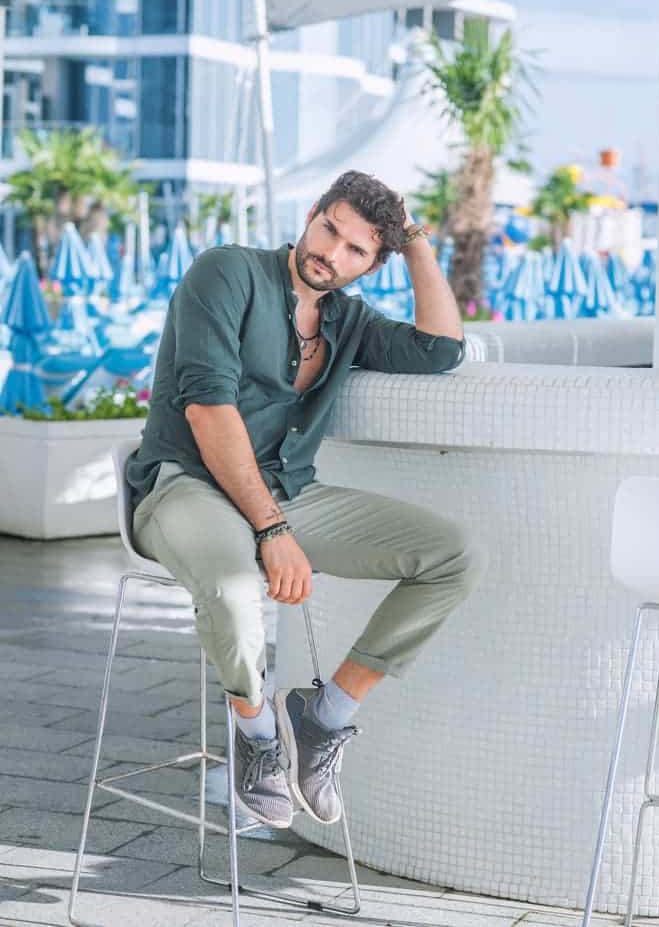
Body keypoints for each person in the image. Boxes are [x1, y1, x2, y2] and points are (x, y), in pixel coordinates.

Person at [127, 170, 486, 830]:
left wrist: (415, 246)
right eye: (329, 230)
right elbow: (209, 412)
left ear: (372, 263)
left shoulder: (349, 319)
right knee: (238, 589)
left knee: (452, 554)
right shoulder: (226, 273)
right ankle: (257, 733)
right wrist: (270, 528)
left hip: (289, 494)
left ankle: (323, 719)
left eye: (356, 250)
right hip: (185, 484)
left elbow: (441, 351)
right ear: (312, 214)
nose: (332, 253)